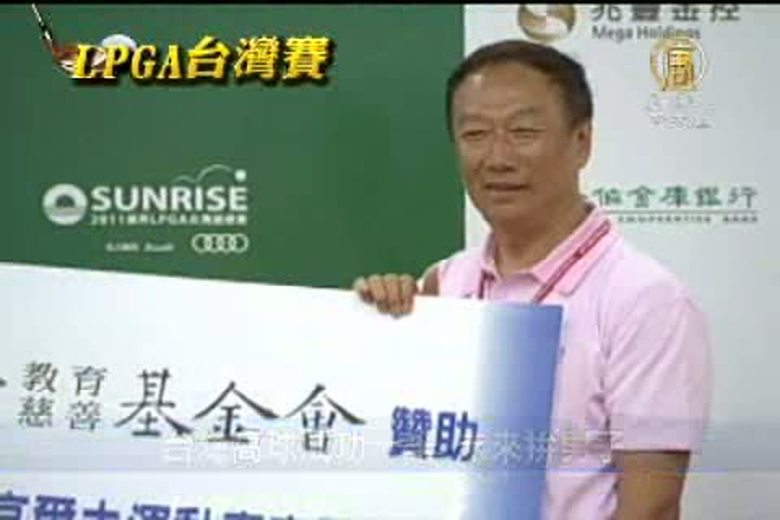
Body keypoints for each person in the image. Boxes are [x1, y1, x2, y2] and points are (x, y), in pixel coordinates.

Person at [353, 40, 712, 520]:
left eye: (523, 132)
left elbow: (652, 508)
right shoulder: (444, 284)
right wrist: (374, 325)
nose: (497, 158)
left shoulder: (645, 300)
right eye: (475, 134)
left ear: (581, 141)